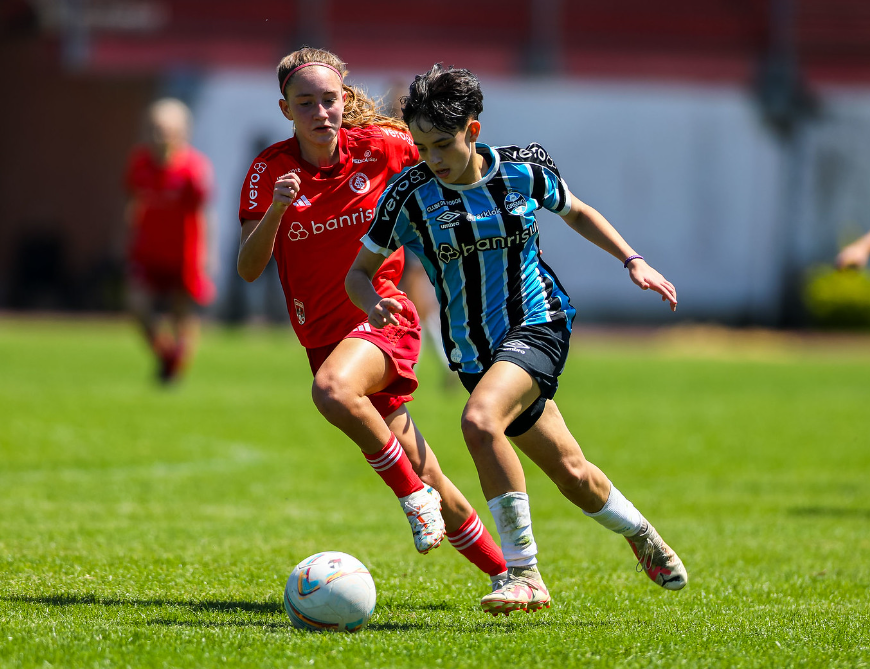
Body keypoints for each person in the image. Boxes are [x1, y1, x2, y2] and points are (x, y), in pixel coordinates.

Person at [347, 64, 688, 616]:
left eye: (442, 145)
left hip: (538, 322)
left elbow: (577, 211)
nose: (432, 158)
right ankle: (642, 534)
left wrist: (632, 260)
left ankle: (524, 574)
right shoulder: (408, 195)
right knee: (571, 473)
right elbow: (358, 274)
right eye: (421, 147)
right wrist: (373, 302)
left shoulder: (523, 171)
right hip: (473, 353)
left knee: (480, 422)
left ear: (473, 131)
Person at [236, 48, 506, 589]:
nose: (320, 112)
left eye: (329, 100)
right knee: (427, 470)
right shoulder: (269, 170)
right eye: (305, 103)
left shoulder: (382, 147)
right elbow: (248, 268)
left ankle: (411, 499)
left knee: (332, 391)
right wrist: (277, 211)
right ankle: (513, 576)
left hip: (383, 314)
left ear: (343, 100)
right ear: (285, 109)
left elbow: (451, 160)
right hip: (324, 337)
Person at [125, 98, 215, 383]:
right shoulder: (139, 163)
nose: (159, 136)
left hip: (183, 254)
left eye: (165, 130)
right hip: (148, 252)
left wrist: (206, 255)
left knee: (181, 315)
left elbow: (203, 214)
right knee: (137, 305)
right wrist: (126, 237)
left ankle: (176, 368)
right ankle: (166, 355)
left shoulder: (193, 169)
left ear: (181, 133)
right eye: (154, 129)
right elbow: (133, 202)